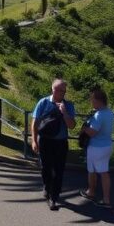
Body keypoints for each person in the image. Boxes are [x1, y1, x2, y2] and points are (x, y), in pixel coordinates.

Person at [30, 78, 76, 210]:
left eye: (64, 90)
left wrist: (65, 113)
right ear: (53, 89)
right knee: (46, 168)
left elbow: (72, 126)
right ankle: (46, 187)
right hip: (44, 141)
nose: (62, 93)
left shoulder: (68, 105)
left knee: (59, 171)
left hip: (61, 143)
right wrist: (33, 140)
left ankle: (53, 197)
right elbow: (35, 122)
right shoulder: (43, 102)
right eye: (59, 90)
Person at [79, 88, 114, 208]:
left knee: (95, 171)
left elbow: (92, 132)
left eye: (92, 100)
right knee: (102, 172)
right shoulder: (109, 112)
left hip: (96, 147)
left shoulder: (99, 115)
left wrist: (84, 129)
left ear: (99, 100)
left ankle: (95, 194)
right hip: (107, 145)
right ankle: (102, 197)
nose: (91, 102)